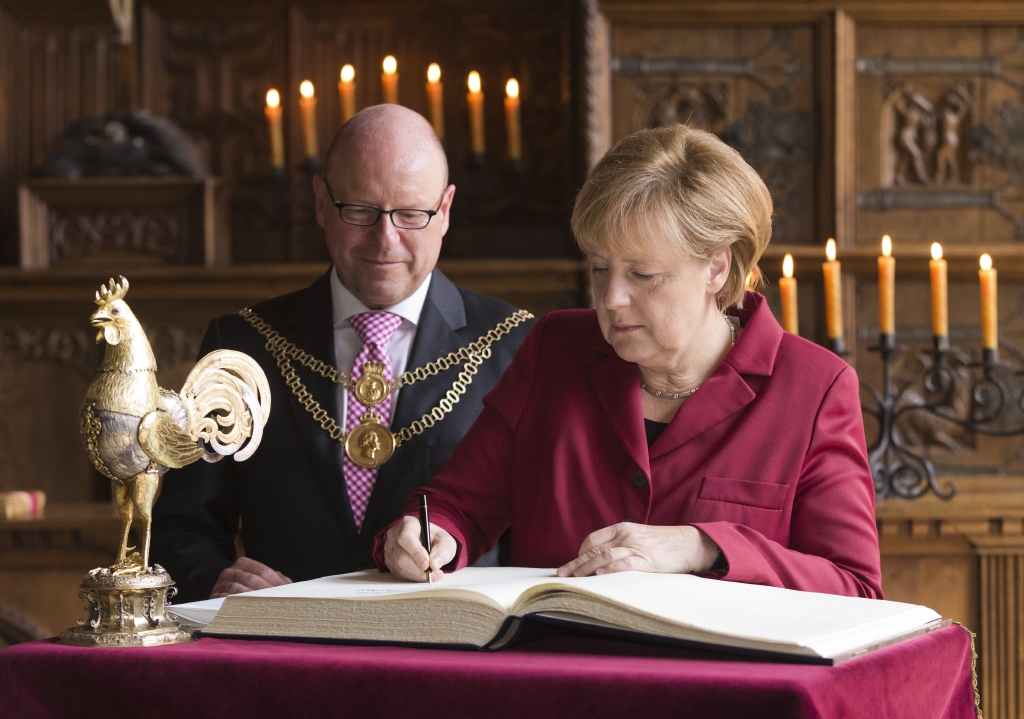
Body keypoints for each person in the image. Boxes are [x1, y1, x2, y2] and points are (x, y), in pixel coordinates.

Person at [378, 124, 883, 598]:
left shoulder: (815, 387)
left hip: (728, 686)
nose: (611, 298)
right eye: (600, 268)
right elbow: (458, 504)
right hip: (558, 673)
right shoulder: (555, 348)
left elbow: (857, 587)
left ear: (716, 267)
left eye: (642, 274)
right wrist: (429, 532)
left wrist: (702, 546)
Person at [152, 105, 534, 602]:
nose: (385, 239)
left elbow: (540, 534)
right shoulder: (242, 344)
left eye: (411, 214)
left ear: (444, 211)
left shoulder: (515, 346)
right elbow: (181, 528)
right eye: (360, 211)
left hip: (452, 654)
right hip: (283, 654)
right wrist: (216, 580)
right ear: (320, 201)